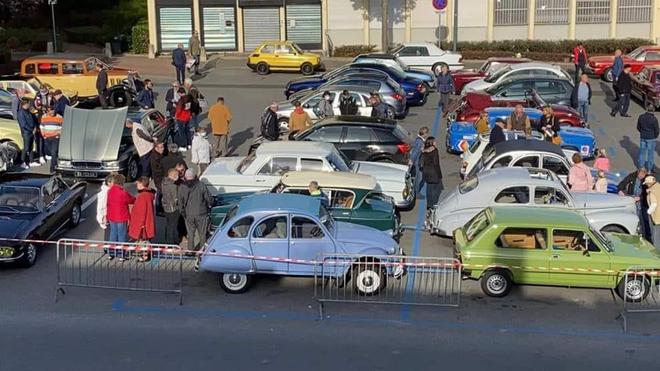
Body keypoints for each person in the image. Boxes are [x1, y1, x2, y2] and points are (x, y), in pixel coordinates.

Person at [178, 168, 213, 253]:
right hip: (201, 213)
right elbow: (209, 199)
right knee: (202, 234)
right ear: (195, 176)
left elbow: (180, 201)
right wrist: (210, 205)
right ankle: (202, 251)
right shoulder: (201, 185)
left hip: (189, 214)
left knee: (190, 234)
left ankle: (190, 251)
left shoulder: (182, 187)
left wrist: (183, 212)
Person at [106, 174, 135, 260]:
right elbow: (131, 200)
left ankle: (111, 253)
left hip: (111, 216)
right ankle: (121, 254)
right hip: (121, 216)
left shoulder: (110, 191)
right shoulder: (123, 192)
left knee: (113, 234)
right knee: (121, 235)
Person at [128, 177, 156, 262]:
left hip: (142, 224)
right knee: (145, 241)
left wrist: (141, 225)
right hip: (147, 222)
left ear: (141, 184)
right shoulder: (148, 195)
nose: (137, 185)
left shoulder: (142, 196)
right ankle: (144, 255)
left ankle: (145, 256)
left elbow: (141, 212)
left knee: (143, 241)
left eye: (138, 183)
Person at [618, 168, 651, 241]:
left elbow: (648, 193)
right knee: (633, 218)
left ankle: (648, 238)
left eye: (643, 176)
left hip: (643, 202)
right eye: (640, 175)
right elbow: (621, 185)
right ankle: (634, 234)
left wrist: (640, 198)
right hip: (632, 199)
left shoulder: (648, 179)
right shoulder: (632, 176)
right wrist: (621, 191)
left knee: (645, 221)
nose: (641, 177)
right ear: (638, 172)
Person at [421, 136, 443, 216]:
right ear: (432, 143)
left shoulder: (424, 151)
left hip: (426, 171)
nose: (436, 143)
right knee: (435, 190)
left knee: (429, 189)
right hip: (433, 172)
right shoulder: (434, 151)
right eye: (434, 141)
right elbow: (436, 163)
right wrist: (439, 174)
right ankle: (433, 206)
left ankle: (429, 204)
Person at [16, 99, 38, 169]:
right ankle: (23, 162)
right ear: (24, 104)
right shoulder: (20, 112)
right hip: (26, 132)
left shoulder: (28, 111)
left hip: (31, 131)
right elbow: (23, 124)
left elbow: (32, 119)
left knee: (31, 147)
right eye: (28, 104)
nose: (29, 105)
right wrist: (32, 130)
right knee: (26, 148)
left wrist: (35, 127)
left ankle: (31, 161)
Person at [637, 105, 659, 171]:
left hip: (643, 136)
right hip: (651, 137)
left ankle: (641, 167)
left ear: (647, 109)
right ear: (653, 110)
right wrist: (655, 136)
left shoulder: (641, 117)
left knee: (642, 153)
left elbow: (638, 127)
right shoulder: (654, 119)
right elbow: (657, 130)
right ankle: (650, 168)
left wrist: (642, 132)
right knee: (650, 154)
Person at [39, 107, 62, 173]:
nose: (52, 113)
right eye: (51, 112)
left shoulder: (59, 117)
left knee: (53, 152)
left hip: (55, 137)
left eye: (53, 111)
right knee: (50, 152)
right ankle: (55, 161)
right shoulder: (44, 117)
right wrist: (44, 135)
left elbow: (61, 127)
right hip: (47, 137)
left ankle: (52, 168)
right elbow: (42, 126)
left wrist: (58, 135)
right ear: (47, 111)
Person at [162, 168, 181, 245]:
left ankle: (167, 239)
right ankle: (171, 242)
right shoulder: (173, 186)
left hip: (166, 206)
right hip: (173, 208)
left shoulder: (164, 182)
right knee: (173, 225)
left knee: (168, 224)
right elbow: (175, 198)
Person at [409, 126, 429, 194]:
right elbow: (415, 152)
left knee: (412, 176)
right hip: (416, 162)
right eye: (426, 133)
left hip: (415, 161)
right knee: (417, 178)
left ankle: (411, 190)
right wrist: (411, 160)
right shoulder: (420, 142)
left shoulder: (418, 140)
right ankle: (416, 193)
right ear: (425, 134)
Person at [96, 174, 114, 240]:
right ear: (109, 183)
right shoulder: (104, 193)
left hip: (110, 217)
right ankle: (107, 248)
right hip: (107, 218)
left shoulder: (109, 191)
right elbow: (100, 207)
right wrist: (101, 218)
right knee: (108, 233)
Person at [645, 175, 660, 246]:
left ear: (649, 184)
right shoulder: (658, 187)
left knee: (656, 237)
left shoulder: (652, 192)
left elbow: (654, 204)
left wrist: (648, 212)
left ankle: (656, 254)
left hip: (656, 218)